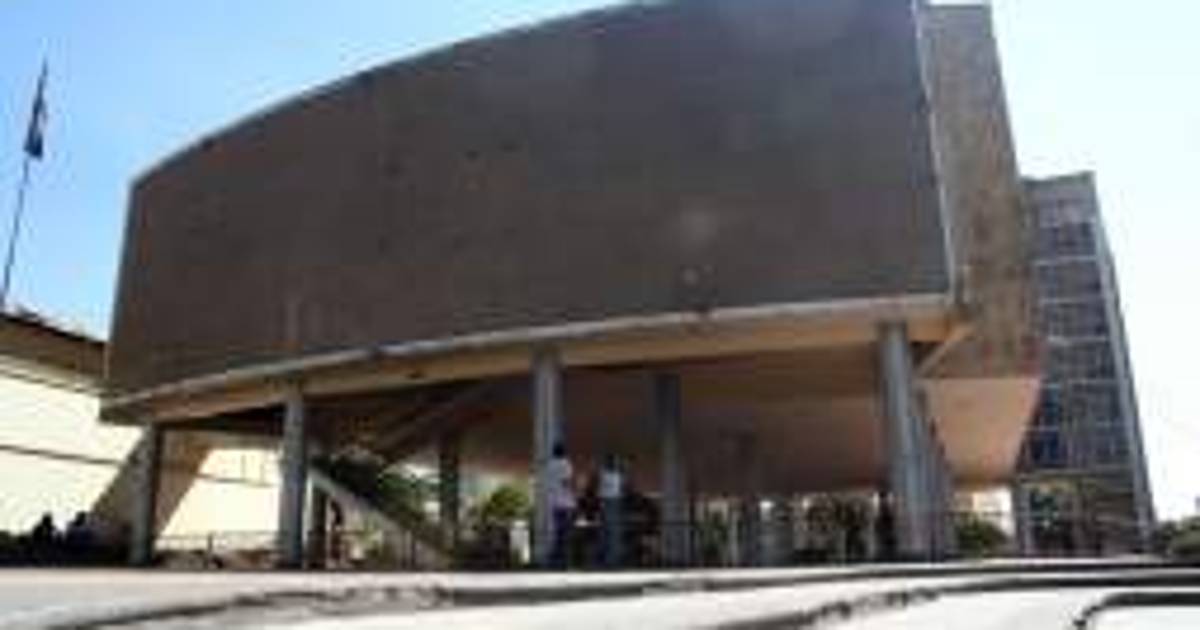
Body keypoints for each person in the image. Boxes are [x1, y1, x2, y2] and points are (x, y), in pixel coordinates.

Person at [547, 442, 575, 568]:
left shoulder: (550, 465)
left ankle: (556, 560)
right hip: (566, 503)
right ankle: (566, 562)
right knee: (566, 534)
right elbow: (567, 482)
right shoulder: (566, 464)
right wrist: (575, 494)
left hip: (555, 503)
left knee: (558, 533)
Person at [598, 454, 624, 568]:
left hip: (612, 502)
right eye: (614, 462)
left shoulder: (613, 475)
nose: (615, 464)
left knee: (611, 532)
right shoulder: (608, 475)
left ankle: (611, 558)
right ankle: (609, 558)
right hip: (610, 501)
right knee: (610, 532)